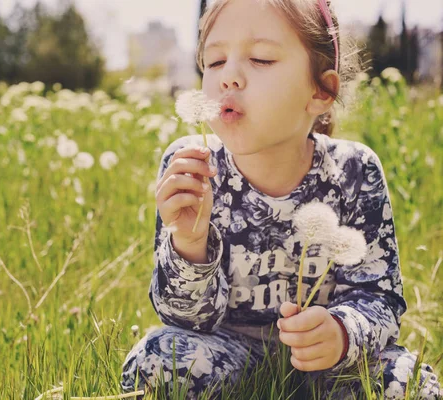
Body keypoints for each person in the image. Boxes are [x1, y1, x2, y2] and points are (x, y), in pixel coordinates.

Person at [120, 0, 442, 398]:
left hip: (330, 366)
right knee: (155, 360)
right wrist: (188, 245)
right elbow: (184, 318)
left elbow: (380, 297)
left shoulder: (355, 172)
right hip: (227, 356)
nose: (229, 78)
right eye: (215, 61)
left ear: (320, 92)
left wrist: (341, 333)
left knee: (408, 383)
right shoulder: (191, 169)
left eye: (260, 58)